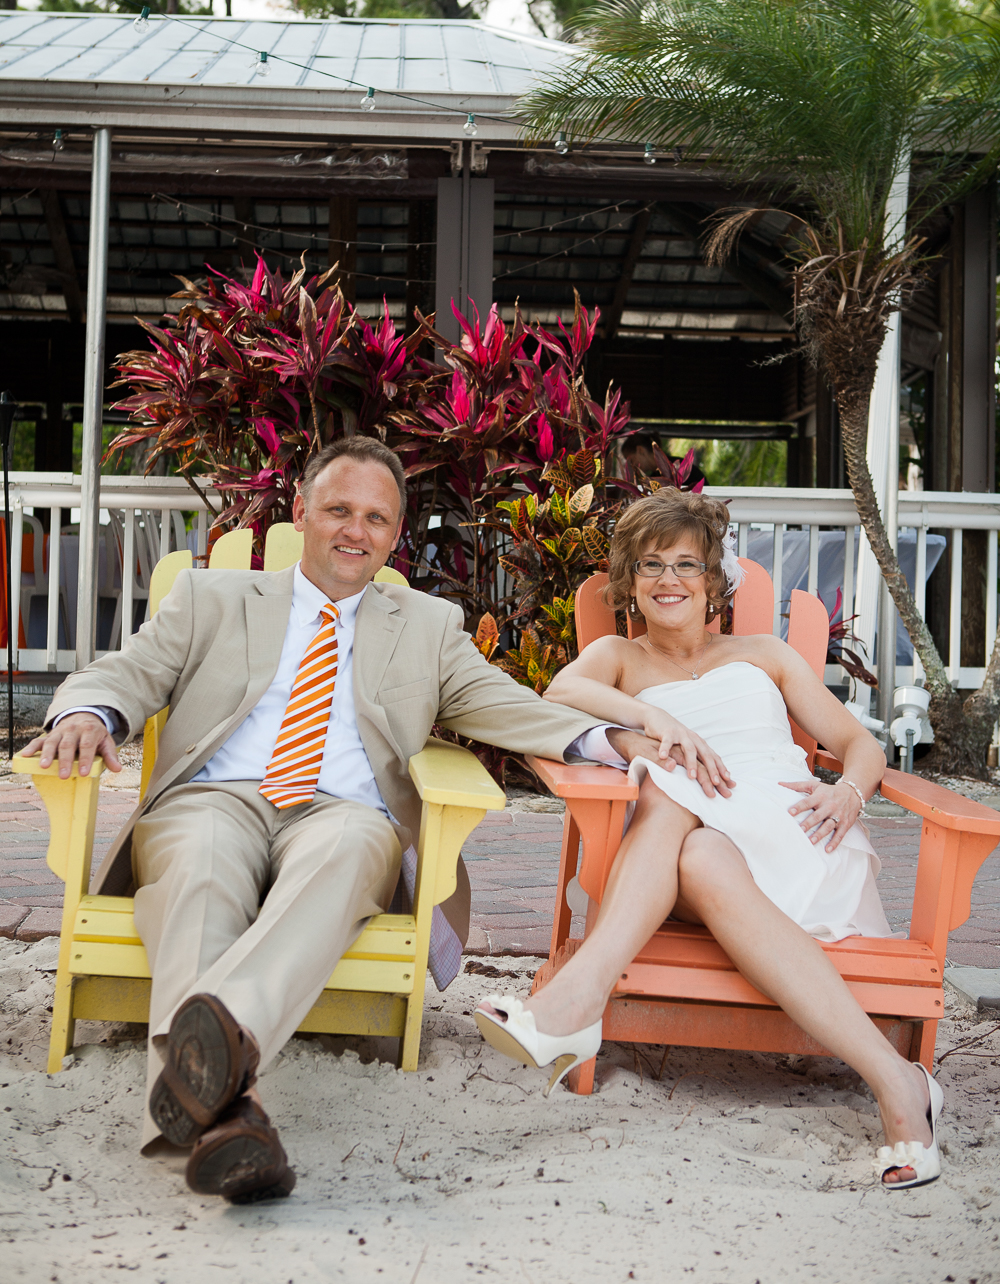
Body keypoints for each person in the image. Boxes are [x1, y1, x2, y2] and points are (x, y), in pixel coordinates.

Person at [25, 436, 663, 1204]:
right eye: (337, 510)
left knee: (354, 844)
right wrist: (89, 714)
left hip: (342, 815)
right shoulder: (212, 599)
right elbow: (122, 673)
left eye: (375, 517)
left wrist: (610, 737)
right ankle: (227, 1102)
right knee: (198, 868)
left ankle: (206, 1063)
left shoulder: (427, 627)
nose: (354, 531)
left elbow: (510, 708)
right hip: (213, 800)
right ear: (300, 513)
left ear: (395, 534)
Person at [475, 488, 944, 1192]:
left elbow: (857, 744)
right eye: (652, 565)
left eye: (686, 565)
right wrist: (654, 723)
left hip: (795, 832)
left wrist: (847, 793)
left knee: (671, 796)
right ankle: (900, 1085)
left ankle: (575, 1003)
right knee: (670, 788)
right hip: (694, 851)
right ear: (630, 582)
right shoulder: (616, 656)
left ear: (713, 580)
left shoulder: (766, 653)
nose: (669, 580)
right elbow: (560, 695)